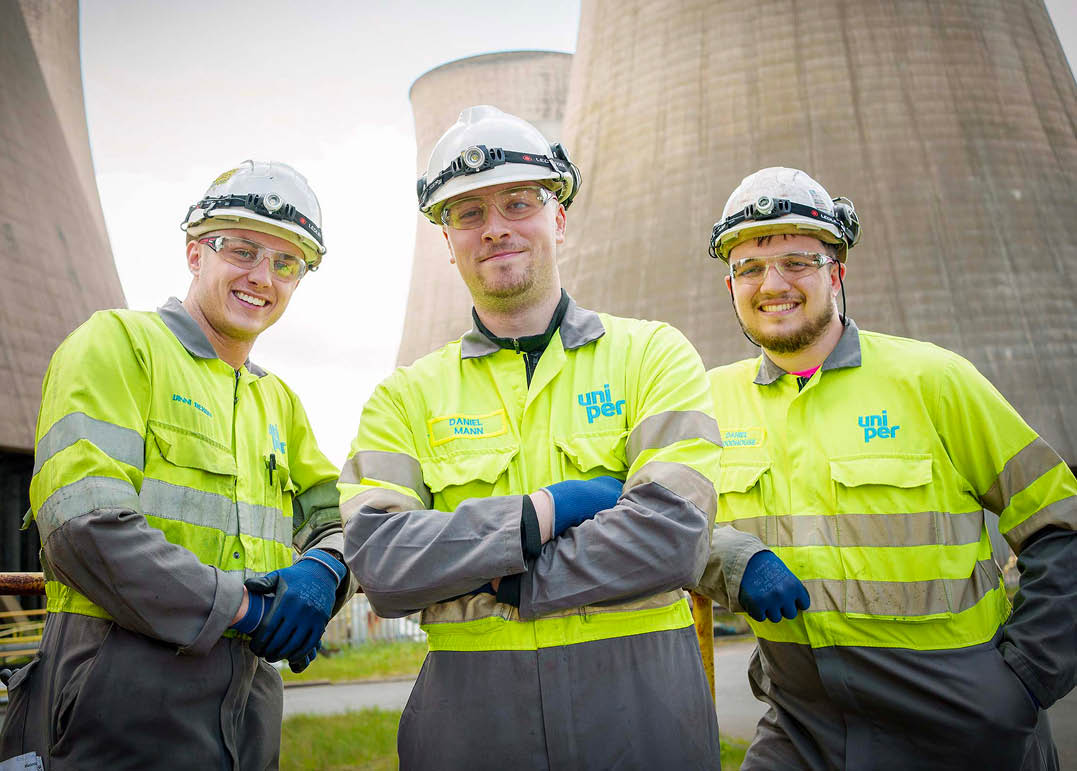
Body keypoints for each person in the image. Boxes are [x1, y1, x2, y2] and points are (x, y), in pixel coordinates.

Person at [340, 105, 723, 769]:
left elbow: (672, 536)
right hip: (470, 738)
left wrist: (503, 580)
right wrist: (536, 516)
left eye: (518, 202)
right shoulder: (404, 396)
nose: (494, 229)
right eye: (468, 213)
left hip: (643, 727)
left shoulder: (653, 355)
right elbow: (380, 561)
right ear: (446, 239)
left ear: (559, 219)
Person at [693, 166, 1076, 770]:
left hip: (962, 726)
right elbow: (657, 518)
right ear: (730, 283)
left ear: (837, 272)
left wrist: (1023, 680)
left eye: (798, 261)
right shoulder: (707, 404)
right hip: (803, 721)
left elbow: (1062, 521)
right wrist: (734, 559)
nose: (773, 283)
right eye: (750, 267)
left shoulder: (932, 380)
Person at [0, 161, 353, 770]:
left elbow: (341, 519)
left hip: (249, 716)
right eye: (242, 249)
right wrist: (249, 609)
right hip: (115, 703)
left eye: (286, 263)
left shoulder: (278, 403)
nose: (262, 277)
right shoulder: (118, 346)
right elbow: (82, 528)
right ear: (195, 253)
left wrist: (325, 569)